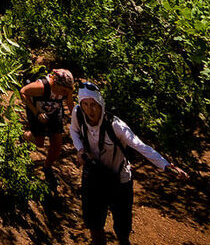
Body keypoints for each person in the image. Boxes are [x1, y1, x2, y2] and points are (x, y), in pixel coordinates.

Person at [68, 82, 188, 245]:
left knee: (122, 230)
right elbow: (73, 131)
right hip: (94, 176)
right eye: (85, 105)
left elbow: (141, 146)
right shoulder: (77, 114)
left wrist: (166, 166)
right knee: (94, 225)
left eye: (93, 105)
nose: (90, 110)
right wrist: (81, 150)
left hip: (119, 181)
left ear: (100, 104)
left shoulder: (116, 126)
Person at [20, 68, 77, 175]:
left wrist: (78, 121)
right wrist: (36, 113)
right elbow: (23, 92)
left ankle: (47, 167)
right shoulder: (42, 86)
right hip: (37, 111)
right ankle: (25, 135)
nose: (65, 93)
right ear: (55, 83)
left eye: (67, 90)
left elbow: (70, 104)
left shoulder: (67, 90)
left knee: (57, 144)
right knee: (39, 143)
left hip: (55, 112)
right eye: (63, 90)